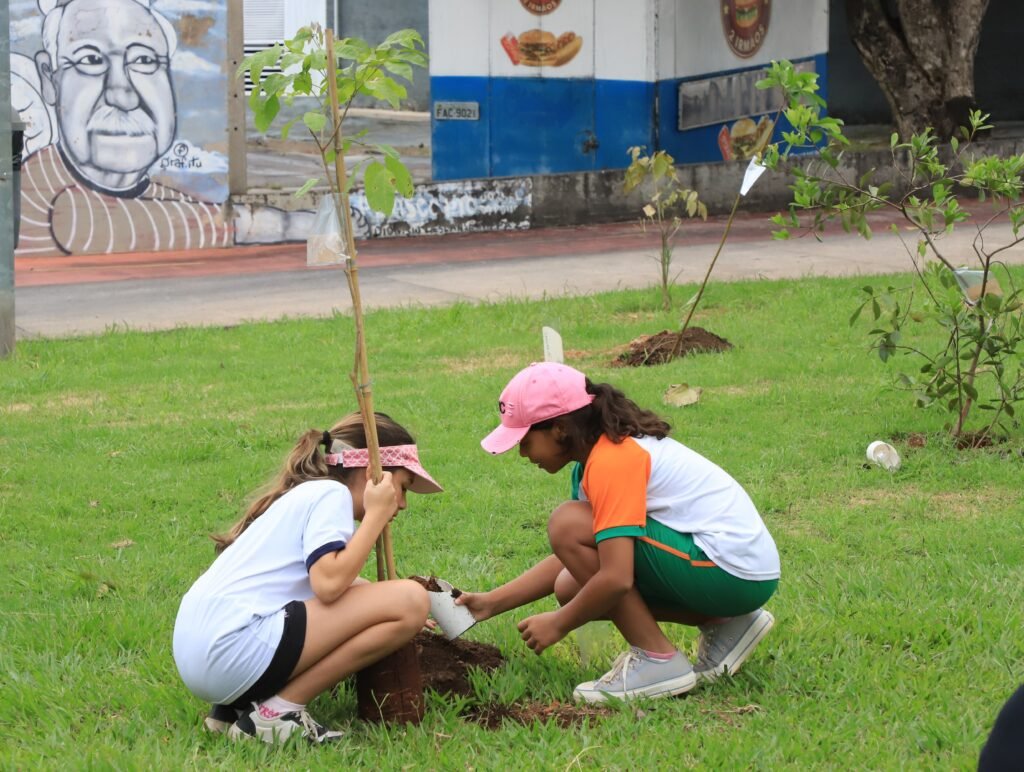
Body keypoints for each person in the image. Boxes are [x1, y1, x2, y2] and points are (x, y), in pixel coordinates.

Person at [456, 362, 781, 703]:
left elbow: (615, 577)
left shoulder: (613, 461)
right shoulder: (594, 458)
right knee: (570, 584)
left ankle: (657, 658)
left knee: (566, 524)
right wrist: (490, 603)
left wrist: (559, 624)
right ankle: (726, 622)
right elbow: (583, 552)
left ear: (560, 429)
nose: (521, 453)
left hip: (730, 570)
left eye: (524, 440)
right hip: (738, 572)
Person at [172, 413, 442, 744]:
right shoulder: (332, 495)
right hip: (233, 650)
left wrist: (380, 605)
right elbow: (329, 586)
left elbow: (320, 584)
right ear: (373, 473)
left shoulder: (306, 496)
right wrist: (375, 517)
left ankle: (233, 710)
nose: (401, 503)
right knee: (413, 599)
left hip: (202, 652)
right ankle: (278, 712)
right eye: (401, 487)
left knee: (399, 600)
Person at [15, 0, 230, 255]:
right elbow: (105, 223)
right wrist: (260, 224)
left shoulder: (160, 197)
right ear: (50, 80)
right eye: (91, 59)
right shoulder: (42, 190)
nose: (122, 95)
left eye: (144, 59)